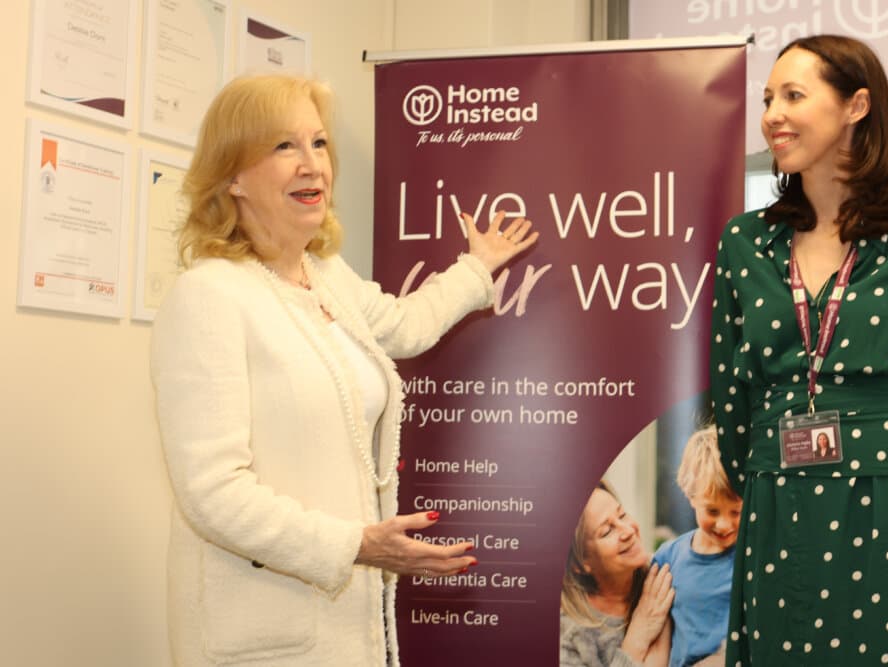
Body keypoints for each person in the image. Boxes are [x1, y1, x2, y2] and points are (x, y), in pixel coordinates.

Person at [150, 74, 538, 667]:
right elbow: (212, 493)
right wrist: (358, 544)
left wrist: (475, 267)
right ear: (232, 175)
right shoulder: (208, 296)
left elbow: (406, 325)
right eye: (284, 147)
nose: (312, 166)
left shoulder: (326, 276)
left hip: (350, 628)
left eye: (319, 144)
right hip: (259, 637)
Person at [710, 34, 888, 666]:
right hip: (779, 501)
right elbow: (730, 389)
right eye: (768, 98)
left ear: (856, 106)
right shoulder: (746, 241)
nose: (772, 113)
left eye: (793, 96)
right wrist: (768, 469)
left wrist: (885, 462)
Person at [651, 426, 740, 667]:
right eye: (712, 510)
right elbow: (654, 630)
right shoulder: (667, 558)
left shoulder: (752, 556)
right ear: (691, 496)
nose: (724, 524)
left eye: (736, 511)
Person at [560, 480, 676, 666]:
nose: (628, 531)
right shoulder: (568, 637)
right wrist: (637, 638)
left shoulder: (667, 574)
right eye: (607, 532)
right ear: (581, 564)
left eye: (622, 515)